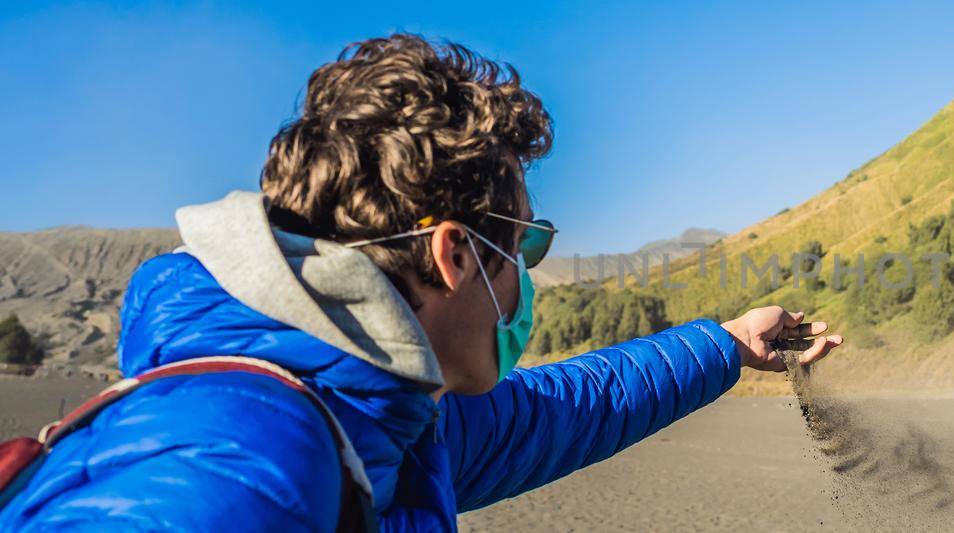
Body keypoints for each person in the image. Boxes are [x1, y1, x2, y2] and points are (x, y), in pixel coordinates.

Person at [0, 33, 841, 531]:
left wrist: (726, 343)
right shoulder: (246, 457)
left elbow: (565, 409)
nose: (524, 285)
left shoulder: (386, 415)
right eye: (525, 247)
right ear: (453, 255)